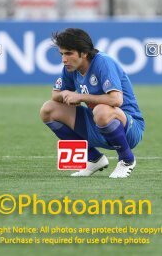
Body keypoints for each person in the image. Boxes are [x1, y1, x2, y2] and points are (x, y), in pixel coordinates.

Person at [40, 28, 145, 178]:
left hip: (129, 128)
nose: (64, 59)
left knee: (101, 110)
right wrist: (66, 95)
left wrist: (80, 97)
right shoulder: (70, 68)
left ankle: (127, 160)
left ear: (84, 53)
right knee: (48, 109)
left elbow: (116, 100)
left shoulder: (103, 62)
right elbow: (55, 94)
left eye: (69, 53)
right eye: (62, 54)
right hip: (96, 123)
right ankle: (93, 158)